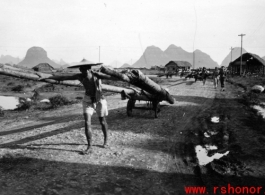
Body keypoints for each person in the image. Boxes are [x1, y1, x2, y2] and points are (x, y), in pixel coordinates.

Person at [39, 63, 113, 154]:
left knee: (102, 121)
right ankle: (89, 146)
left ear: (89, 69)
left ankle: (106, 140)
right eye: (82, 70)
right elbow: (64, 78)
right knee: (87, 122)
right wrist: (47, 77)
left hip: (99, 99)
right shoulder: (80, 77)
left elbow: (111, 77)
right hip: (87, 100)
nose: (83, 71)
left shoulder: (97, 75)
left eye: (85, 69)